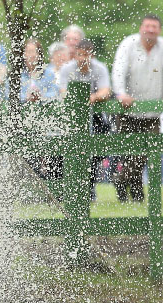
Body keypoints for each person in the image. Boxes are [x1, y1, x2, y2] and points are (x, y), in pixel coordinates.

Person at [112, 13, 163, 203]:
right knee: (130, 154)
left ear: (159, 30)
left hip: (152, 114)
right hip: (128, 112)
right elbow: (118, 70)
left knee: (143, 156)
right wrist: (120, 93)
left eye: (154, 26)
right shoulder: (129, 44)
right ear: (141, 27)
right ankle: (137, 196)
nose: (150, 29)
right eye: (147, 26)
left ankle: (120, 180)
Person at [57, 39, 112, 199]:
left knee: (96, 152)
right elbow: (63, 91)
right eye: (80, 55)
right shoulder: (67, 69)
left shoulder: (99, 68)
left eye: (86, 55)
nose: (82, 59)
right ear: (75, 55)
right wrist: (80, 99)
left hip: (94, 116)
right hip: (71, 116)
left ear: (91, 55)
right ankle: (67, 189)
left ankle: (90, 188)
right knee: (67, 151)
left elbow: (106, 91)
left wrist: (93, 97)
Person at [20, 38, 58, 103]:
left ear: (39, 55)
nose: (32, 55)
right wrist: (26, 97)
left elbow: (54, 93)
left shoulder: (48, 74)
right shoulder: (16, 75)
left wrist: (41, 96)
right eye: (29, 52)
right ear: (23, 54)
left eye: (35, 52)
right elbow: (9, 95)